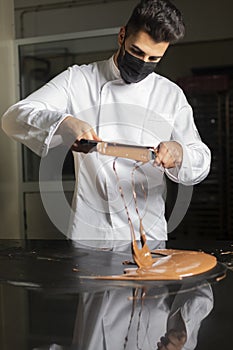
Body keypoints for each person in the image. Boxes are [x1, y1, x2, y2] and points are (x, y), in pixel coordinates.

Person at [1, 0, 211, 251]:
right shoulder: (78, 80)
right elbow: (13, 118)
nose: (144, 62)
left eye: (154, 58)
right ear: (122, 35)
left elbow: (201, 160)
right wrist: (63, 122)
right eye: (137, 52)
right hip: (91, 233)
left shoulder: (170, 95)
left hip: (149, 236)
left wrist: (179, 152)